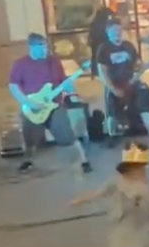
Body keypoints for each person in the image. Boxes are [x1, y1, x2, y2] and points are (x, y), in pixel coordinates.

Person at [8, 33, 91, 174]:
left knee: (68, 137)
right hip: (32, 108)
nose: (44, 50)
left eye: (45, 46)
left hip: (55, 105)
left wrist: (71, 90)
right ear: (31, 47)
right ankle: (28, 160)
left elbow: (63, 80)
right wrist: (28, 103)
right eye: (40, 47)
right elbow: (13, 86)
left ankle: (84, 161)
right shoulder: (20, 64)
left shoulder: (54, 62)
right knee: (29, 139)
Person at [95, 20, 149, 149]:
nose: (117, 33)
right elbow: (102, 72)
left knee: (144, 104)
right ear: (107, 33)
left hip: (132, 81)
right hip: (114, 83)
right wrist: (112, 88)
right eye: (114, 31)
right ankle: (112, 135)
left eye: (119, 30)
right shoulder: (103, 49)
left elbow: (138, 64)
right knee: (112, 110)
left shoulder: (129, 46)